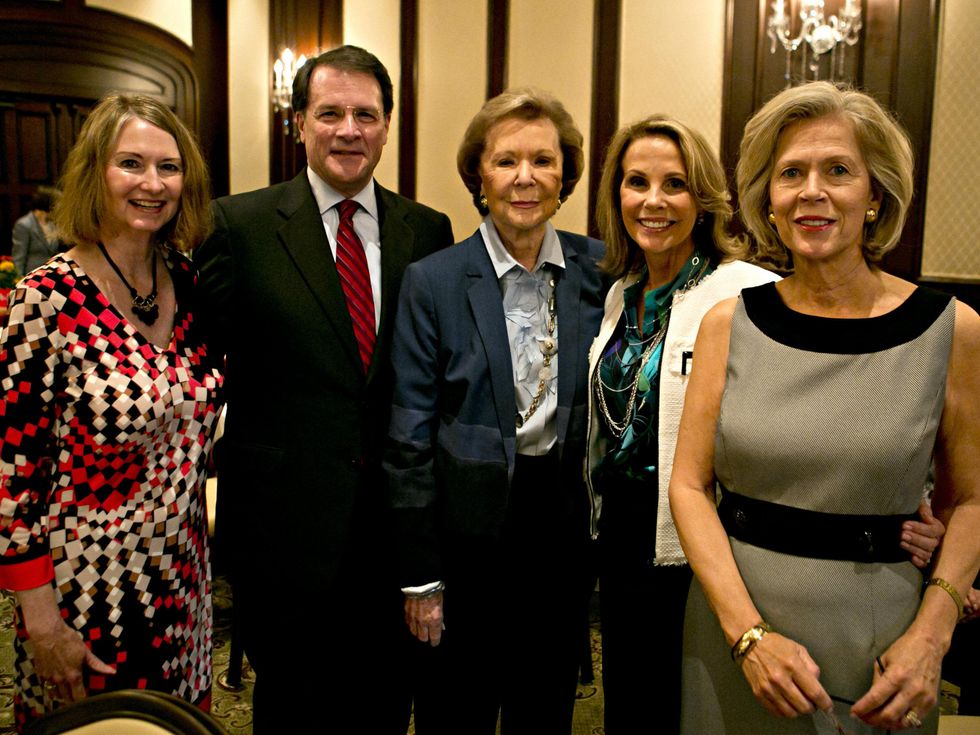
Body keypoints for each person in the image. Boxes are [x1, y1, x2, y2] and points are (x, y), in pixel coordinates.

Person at [589, 114, 944, 735]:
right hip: (622, 538)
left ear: (704, 198)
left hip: (703, 550)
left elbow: (836, 409)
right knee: (633, 707)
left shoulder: (747, 295)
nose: (652, 200)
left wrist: (917, 512)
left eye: (674, 183)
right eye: (635, 182)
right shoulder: (620, 292)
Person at [670, 81, 980, 734]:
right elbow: (690, 486)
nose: (812, 190)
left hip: (882, 654)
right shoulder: (728, 323)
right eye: (791, 173)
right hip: (734, 634)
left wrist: (933, 634)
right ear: (770, 201)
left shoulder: (952, 331)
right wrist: (748, 638)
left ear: (875, 195)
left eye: (838, 169)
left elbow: (971, 500)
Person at [195, 45, 453, 733]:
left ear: (388, 125)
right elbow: (199, 366)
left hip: (389, 537)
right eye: (330, 113)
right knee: (290, 714)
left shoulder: (427, 232)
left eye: (365, 114)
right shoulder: (238, 226)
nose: (349, 130)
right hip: (284, 537)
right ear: (299, 123)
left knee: (382, 710)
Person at [385, 88, 605, 734]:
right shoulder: (435, 279)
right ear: (479, 175)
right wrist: (421, 578)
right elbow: (408, 435)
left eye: (543, 160)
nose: (526, 178)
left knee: (545, 710)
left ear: (565, 174)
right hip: (466, 540)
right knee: (458, 711)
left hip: (561, 538)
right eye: (507, 161)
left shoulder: (598, 269)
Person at [0, 93, 220, 730]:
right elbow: (12, 475)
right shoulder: (46, 301)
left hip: (184, 583)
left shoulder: (192, 281)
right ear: (96, 172)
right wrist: (39, 618)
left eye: (169, 167)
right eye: (132, 164)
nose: (153, 183)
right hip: (87, 592)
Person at [11, 186, 62, 274]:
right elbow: (19, 258)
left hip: (50, 276)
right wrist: (19, 282)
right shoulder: (24, 225)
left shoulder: (52, 224)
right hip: (32, 276)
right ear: (49, 205)